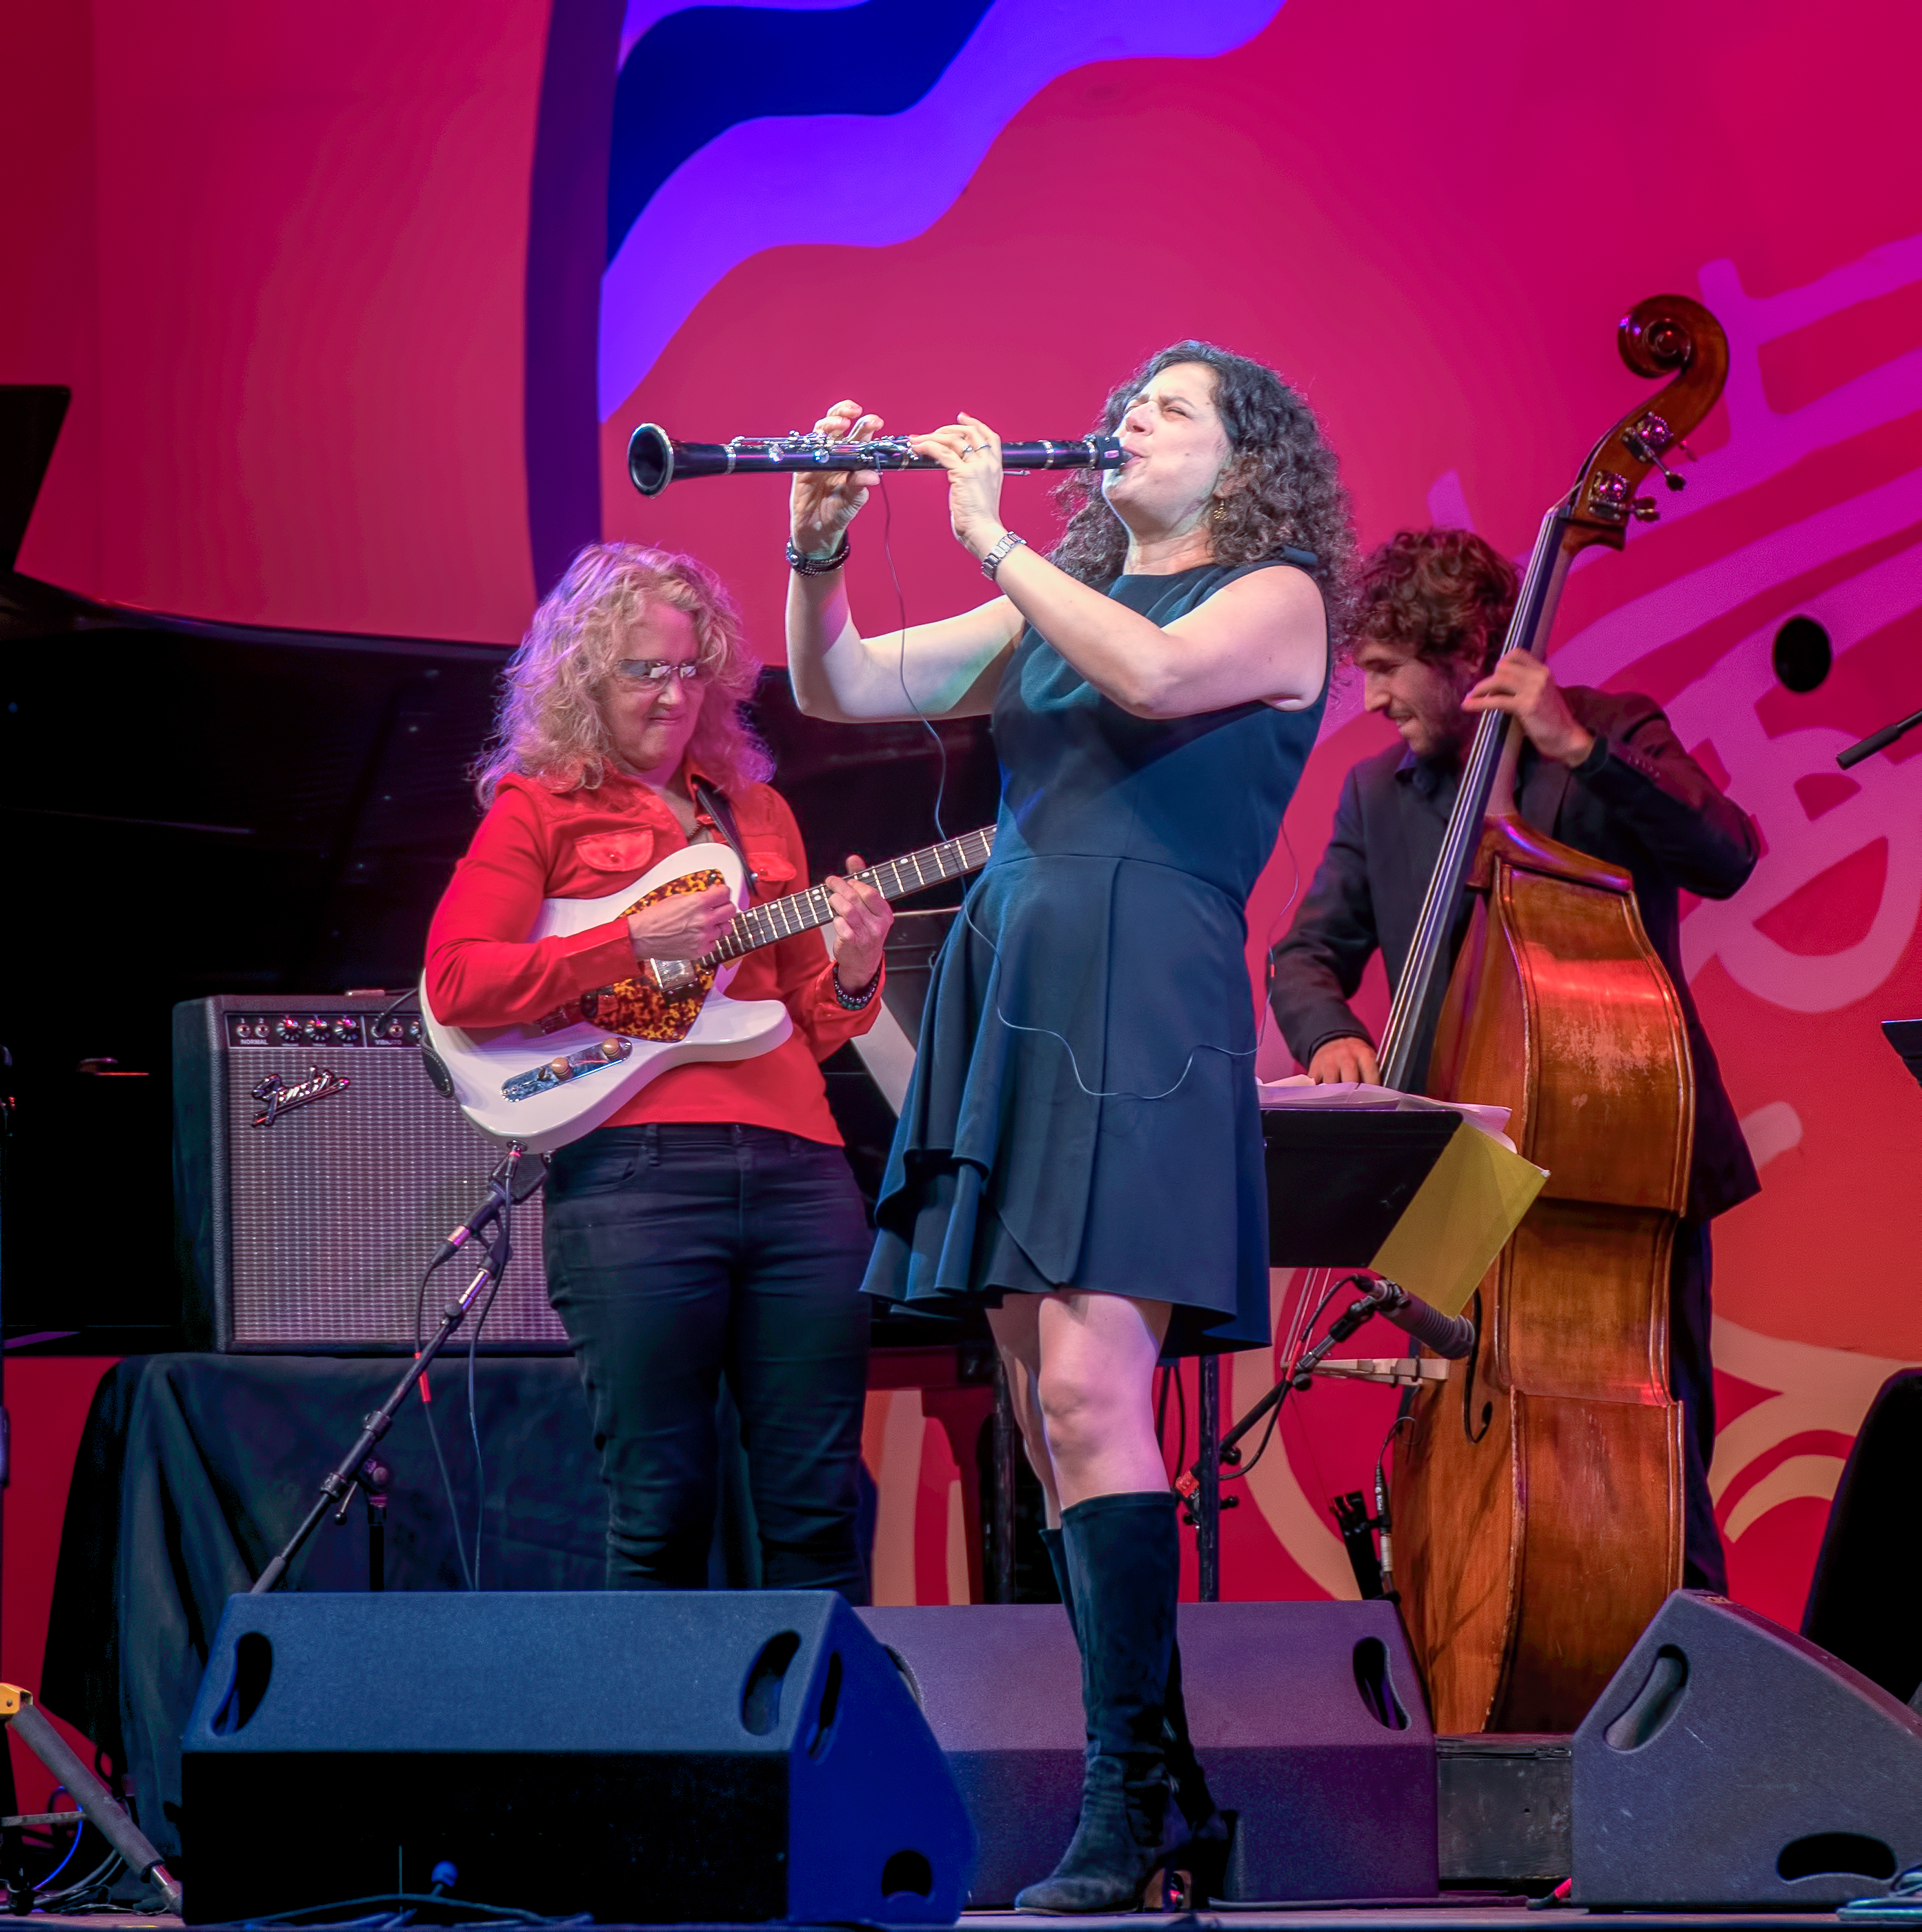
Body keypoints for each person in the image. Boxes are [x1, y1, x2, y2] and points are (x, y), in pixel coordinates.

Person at [784, 342, 1354, 1910]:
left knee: (1097, 1399)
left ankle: (1128, 1802)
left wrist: (994, 538)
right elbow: (840, 683)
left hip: (1136, 986)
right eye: (1127, 403)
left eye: (1170, 409)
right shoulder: (1058, 599)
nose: (1127, 422)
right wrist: (818, 540)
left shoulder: (1275, 596)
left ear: (1243, 460)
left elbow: (1157, 678)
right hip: (1019, 968)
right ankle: (1164, 1793)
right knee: (1046, 1417)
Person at [1267, 526, 1761, 1591]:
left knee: (1650, 1449)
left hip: (1611, 1158)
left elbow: (1725, 853)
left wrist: (1577, 748)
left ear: (1462, 657)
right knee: (1455, 1442)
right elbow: (1305, 952)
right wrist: (1334, 1034)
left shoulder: (1611, 729)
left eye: (1392, 672)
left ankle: (1694, 1689)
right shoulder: (1375, 794)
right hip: (1464, 1167)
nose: (1375, 700)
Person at [424, 543, 893, 1600]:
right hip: (633, 1183)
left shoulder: (757, 812)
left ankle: (826, 1747)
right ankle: (660, 1764)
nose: (674, 695)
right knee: (660, 1507)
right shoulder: (538, 808)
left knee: (818, 1506)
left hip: (802, 1169)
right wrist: (637, 942)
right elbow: (457, 981)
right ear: (586, 675)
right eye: (646, 670)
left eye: (692, 672)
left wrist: (857, 969)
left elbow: (806, 1021)